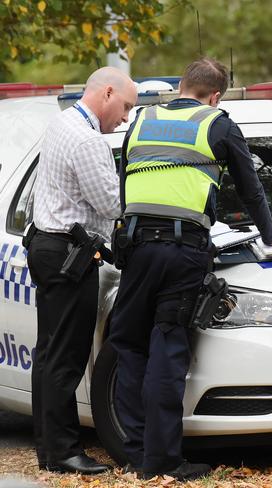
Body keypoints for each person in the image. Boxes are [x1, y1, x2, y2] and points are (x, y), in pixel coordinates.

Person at [109, 57, 272, 481]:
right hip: (183, 251)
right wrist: (269, 237)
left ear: (181, 86)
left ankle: (135, 453)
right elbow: (250, 188)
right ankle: (163, 461)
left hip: (136, 246)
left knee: (129, 343)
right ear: (215, 96)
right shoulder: (218, 123)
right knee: (168, 348)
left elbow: (126, 181)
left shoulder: (141, 119)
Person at [27, 67, 137, 474]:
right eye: (125, 106)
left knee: (49, 353)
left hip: (47, 246)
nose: (125, 117)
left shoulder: (61, 122)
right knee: (67, 357)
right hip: (70, 256)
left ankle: (50, 448)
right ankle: (64, 452)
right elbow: (112, 205)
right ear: (106, 93)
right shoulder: (89, 140)